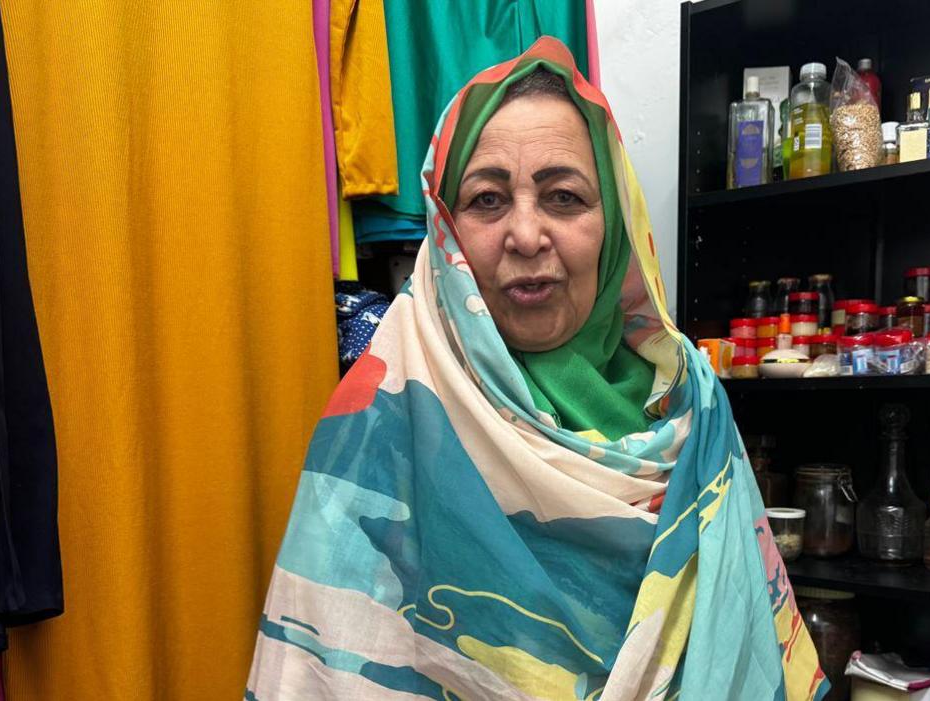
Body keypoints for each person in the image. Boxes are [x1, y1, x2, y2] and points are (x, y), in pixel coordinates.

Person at [246, 37, 827, 700]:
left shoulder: (689, 405)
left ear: (616, 222)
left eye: (564, 197)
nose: (526, 235)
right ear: (445, 230)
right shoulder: (384, 411)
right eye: (488, 200)